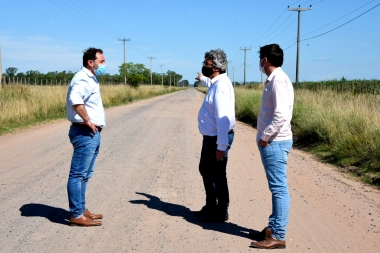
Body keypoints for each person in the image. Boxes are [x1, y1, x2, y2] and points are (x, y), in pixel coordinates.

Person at [249, 44, 294, 249]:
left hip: (275, 141)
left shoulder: (278, 81)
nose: (260, 62)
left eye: (260, 58)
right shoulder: (275, 80)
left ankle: (277, 234)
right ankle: (273, 227)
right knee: (276, 188)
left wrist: (265, 137)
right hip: (274, 141)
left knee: (278, 189)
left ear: (265, 60)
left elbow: (281, 115)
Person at [66, 47, 107, 226]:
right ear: (91, 62)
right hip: (84, 132)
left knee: (85, 174)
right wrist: (88, 120)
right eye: (102, 61)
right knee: (78, 175)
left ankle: (81, 209)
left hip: (92, 133)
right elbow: (76, 100)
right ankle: (76, 214)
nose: (104, 64)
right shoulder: (82, 78)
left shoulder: (91, 77)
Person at [194, 49, 235, 222]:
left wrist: (221, 146)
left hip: (216, 138)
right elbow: (211, 85)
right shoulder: (216, 83)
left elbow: (223, 118)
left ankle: (221, 211)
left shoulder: (222, 87)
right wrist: (202, 78)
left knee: (217, 175)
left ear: (217, 67)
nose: (204, 66)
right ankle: (211, 204)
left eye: (207, 64)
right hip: (210, 138)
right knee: (205, 169)